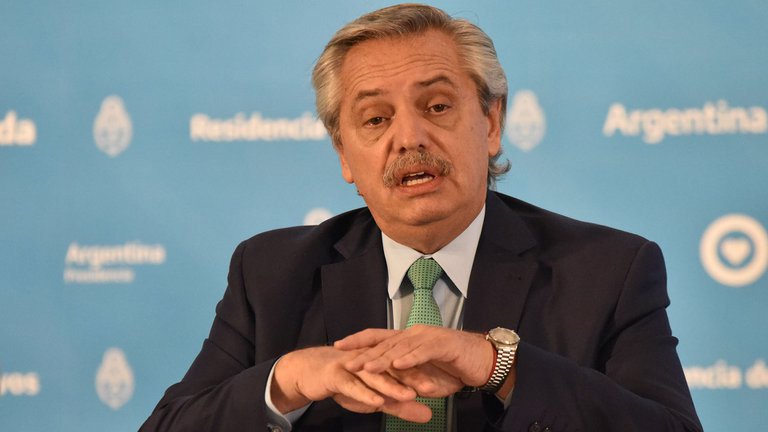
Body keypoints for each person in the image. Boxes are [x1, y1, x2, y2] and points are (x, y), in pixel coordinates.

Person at [141, 4, 702, 431]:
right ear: (344, 154)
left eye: (436, 107)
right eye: (375, 119)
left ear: (490, 123)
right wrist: (283, 382)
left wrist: (499, 367)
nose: (409, 137)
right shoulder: (270, 274)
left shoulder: (608, 271)